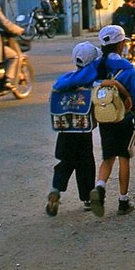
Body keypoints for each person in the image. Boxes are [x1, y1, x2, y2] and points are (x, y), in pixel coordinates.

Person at [55, 25, 135, 217]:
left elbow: (68, 83)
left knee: (107, 158)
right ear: (120, 44)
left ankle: (100, 188)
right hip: (124, 119)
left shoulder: (96, 66)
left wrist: (99, 83)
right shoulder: (127, 68)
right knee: (124, 158)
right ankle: (123, 201)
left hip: (104, 120)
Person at [46, 42, 103, 216]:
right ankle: (87, 198)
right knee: (85, 163)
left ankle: (56, 190)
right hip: (83, 130)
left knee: (65, 162)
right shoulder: (91, 82)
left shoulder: (66, 80)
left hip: (64, 130)